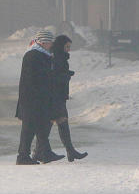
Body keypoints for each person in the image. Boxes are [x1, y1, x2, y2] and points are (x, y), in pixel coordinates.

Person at [14, 29, 63, 165]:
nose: (51, 45)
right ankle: (23, 156)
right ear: (42, 42)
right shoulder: (33, 55)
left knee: (42, 126)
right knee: (29, 129)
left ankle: (43, 153)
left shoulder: (43, 54)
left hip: (39, 98)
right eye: (49, 43)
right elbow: (35, 77)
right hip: (32, 99)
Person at [50, 35, 87, 161]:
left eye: (69, 47)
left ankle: (69, 150)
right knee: (58, 121)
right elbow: (54, 76)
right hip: (56, 95)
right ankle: (40, 150)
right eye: (67, 47)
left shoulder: (59, 57)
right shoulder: (57, 58)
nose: (68, 50)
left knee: (59, 122)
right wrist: (66, 76)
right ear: (61, 46)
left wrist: (66, 74)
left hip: (58, 95)